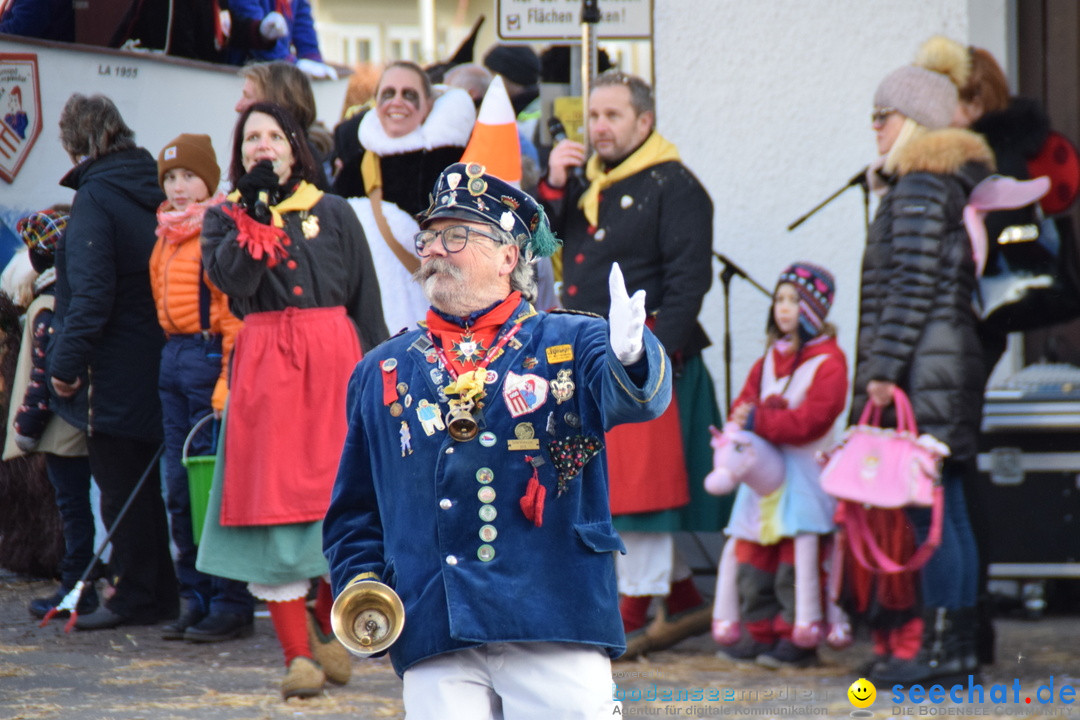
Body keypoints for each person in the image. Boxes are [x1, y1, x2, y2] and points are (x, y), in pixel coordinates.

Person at [323, 161, 671, 718]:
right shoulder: (379, 368)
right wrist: (365, 589)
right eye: (430, 235)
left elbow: (637, 397)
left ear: (510, 256)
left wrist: (630, 356)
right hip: (433, 621)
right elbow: (354, 512)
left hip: (554, 615)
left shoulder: (571, 339)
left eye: (456, 235)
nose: (435, 248)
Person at [196, 101, 388, 699]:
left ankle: (329, 629)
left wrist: (380, 375)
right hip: (268, 368)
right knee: (278, 509)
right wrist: (253, 216)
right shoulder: (224, 217)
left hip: (334, 362)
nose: (262, 144)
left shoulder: (333, 211)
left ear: (294, 145)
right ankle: (297, 655)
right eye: (251, 136)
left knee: (341, 498)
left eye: (272, 134)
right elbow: (232, 285)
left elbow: (367, 300)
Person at [540, 70, 725, 644]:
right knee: (606, 486)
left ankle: (635, 611)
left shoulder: (677, 185)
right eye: (593, 115)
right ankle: (684, 598)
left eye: (612, 115)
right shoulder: (582, 182)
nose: (599, 127)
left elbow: (689, 283)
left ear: (644, 121)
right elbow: (543, 250)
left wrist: (646, 363)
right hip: (587, 356)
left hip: (642, 359)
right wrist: (550, 185)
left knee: (639, 496)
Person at [852, 46, 993, 684]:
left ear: (912, 122)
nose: (874, 125)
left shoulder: (918, 186)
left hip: (922, 371)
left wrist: (881, 369)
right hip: (946, 365)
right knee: (948, 508)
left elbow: (908, 285)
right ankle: (956, 650)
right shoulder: (939, 184)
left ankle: (939, 653)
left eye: (884, 114)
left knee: (928, 514)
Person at [51, 94, 179, 630]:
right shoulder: (154, 185)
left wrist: (64, 363)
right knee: (150, 487)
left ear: (76, 143)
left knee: (122, 487)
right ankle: (160, 591)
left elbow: (91, 292)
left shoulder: (96, 197)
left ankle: (136, 597)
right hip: (161, 358)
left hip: (112, 370)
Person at [712, 262, 847, 669]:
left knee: (797, 561)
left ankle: (798, 636)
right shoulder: (768, 360)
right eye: (780, 300)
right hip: (765, 481)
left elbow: (812, 421)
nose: (783, 309)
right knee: (756, 556)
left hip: (805, 479)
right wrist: (745, 419)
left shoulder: (829, 363)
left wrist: (759, 420)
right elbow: (743, 404)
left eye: (794, 301)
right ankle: (760, 631)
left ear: (813, 309)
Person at [149, 133, 254, 643]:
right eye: (170, 178)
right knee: (177, 490)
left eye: (189, 175)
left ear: (208, 180)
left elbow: (234, 319)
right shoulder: (164, 236)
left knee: (210, 489)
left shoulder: (215, 233)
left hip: (208, 358)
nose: (179, 186)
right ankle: (193, 596)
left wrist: (224, 386)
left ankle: (230, 601)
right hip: (173, 358)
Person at [331, 61, 475, 333]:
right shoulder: (357, 166)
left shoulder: (452, 166)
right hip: (367, 325)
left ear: (428, 105)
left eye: (409, 94)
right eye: (388, 93)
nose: (397, 102)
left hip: (436, 323)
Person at [4, 207, 98, 620]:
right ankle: (82, 582)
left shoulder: (47, 306)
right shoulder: (70, 298)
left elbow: (43, 376)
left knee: (72, 507)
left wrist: (25, 428)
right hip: (73, 424)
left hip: (59, 428)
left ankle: (77, 586)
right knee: (80, 505)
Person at [234, 61, 332, 190]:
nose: (238, 106)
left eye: (247, 97)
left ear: (273, 104)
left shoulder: (304, 167)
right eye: (253, 138)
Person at [225, 0, 337, 78]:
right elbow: (252, 33)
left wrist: (315, 63)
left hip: (279, 75)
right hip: (242, 75)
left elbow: (304, 29)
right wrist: (292, 64)